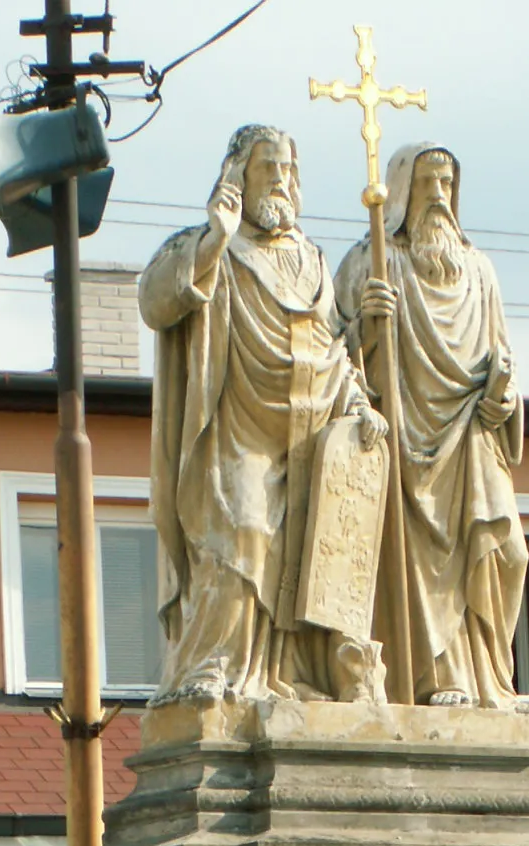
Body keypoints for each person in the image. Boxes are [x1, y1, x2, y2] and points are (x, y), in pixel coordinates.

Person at [140, 125, 389, 702]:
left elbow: (332, 349)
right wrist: (214, 238)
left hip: (309, 437)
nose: (279, 180)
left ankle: (292, 674)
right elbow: (156, 299)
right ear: (237, 177)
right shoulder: (212, 246)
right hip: (238, 432)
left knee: (305, 554)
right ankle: (213, 664)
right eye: (266, 168)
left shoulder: (313, 261)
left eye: (286, 169)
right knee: (243, 534)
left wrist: (358, 402)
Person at [335, 143, 529, 710]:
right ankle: (436, 677)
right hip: (405, 439)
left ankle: (490, 676)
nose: (439, 196)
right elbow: (334, 361)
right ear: (401, 192)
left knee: (507, 552)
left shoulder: (480, 271)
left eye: (447, 183)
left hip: (471, 440)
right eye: (427, 183)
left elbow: (503, 357)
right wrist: (366, 327)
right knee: (420, 561)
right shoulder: (373, 262)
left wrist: (503, 397)